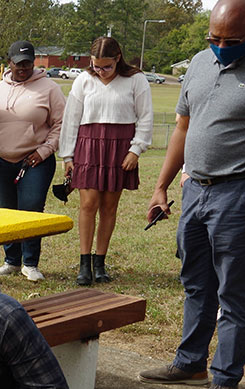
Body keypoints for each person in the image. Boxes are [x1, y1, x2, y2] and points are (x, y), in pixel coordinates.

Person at [140, 0, 245, 389]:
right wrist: (160, 186)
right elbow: (182, 128)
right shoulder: (198, 62)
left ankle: (226, 378)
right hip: (195, 189)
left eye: (231, 41)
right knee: (195, 281)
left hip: (241, 194)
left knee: (233, 291)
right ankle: (190, 363)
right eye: (214, 39)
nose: (221, 47)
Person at [58, 36, 154, 286]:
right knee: (88, 203)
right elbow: (71, 119)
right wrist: (67, 155)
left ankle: (100, 262)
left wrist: (136, 150)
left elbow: (145, 117)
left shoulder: (136, 79)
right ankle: (84, 263)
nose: (101, 71)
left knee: (109, 206)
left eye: (106, 67)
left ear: (118, 58)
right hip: (88, 145)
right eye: (96, 66)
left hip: (120, 148)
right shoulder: (84, 80)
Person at [0, 40, 65, 282]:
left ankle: (30, 263)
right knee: (7, 213)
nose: (23, 68)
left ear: (33, 62)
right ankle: (11, 261)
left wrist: (44, 151)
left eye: (27, 63)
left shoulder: (49, 88)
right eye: (18, 64)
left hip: (34, 161)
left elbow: (60, 124)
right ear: (9, 64)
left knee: (31, 210)